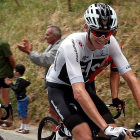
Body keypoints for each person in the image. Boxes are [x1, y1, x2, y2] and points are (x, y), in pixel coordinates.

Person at [46, 2, 140, 140]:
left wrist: (108, 129)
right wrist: (106, 128)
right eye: (97, 32)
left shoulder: (111, 42)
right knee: (85, 135)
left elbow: (132, 80)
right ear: (86, 27)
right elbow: (78, 92)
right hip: (60, 89)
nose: (102, 39)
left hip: (83, 86)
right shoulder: (72, 44)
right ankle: (61, 134)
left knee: (116, 135)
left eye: (107, 33)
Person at [17, 25, 62, 134]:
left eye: (47, 34)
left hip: (59, 85)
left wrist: (29, 52)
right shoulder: (53, 45)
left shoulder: (59, 46)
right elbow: (44, 57)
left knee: (56, 110)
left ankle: (57, 133)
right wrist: (31, 53)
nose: (44, 37)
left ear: (55, 36)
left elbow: (44, 59)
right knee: (54, 110)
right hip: (55, 84)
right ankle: (56, 133)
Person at [5, 64, 31, 134]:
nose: (13, 71)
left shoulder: (20, 80)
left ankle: (26, 128)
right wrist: (12, 83)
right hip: (21, 99)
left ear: (17, 73)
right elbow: (19, 87)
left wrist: (10, 84)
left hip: (22, 100)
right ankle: (22, 127)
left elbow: (16, 89)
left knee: (24, 115)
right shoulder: (22, 78)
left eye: (14, 70)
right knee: (22, 114)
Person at [0, 37, 15, 127]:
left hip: (4, 74)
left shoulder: (3, 43)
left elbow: (11, 59)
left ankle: (9, 120)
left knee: (5, 97)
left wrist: (13, 70)